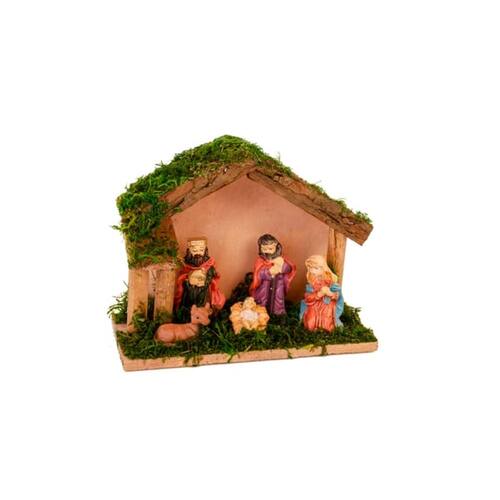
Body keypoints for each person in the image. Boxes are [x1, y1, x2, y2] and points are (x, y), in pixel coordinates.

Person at [174, 237, 225, 322]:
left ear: (205, 251)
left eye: (201, 250)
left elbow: (212, 277)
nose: (198, 253)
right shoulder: (186, 264)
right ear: (189, 251)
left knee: (204, 305)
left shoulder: (209, 265)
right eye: (194, 250)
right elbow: (182, 277)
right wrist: (189, 279)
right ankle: (186, 318)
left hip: (204, 292)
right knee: (188, 306)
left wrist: (204, 279)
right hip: (189, 292)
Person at [249, 234, 296, 315]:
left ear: (276, 247)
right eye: (264, 249)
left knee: (278, 300)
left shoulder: (280, 259)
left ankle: (277, 314)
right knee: (262, 300)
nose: (267, 251)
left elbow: (289, 269)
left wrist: (282, 266)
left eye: (270, 249)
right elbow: (258, 274)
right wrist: (268, 272)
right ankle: (262, 314)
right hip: (264, 287)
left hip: (278, 285)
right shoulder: (260, 261)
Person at [300, 255, 344, 332]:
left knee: (326, 325)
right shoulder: (311, 283)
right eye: (310, 268)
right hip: (314, 306)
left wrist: (329, 293)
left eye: (316, 268)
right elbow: (308, 298)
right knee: (310, 324)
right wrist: (320, 294)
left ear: (323, 268)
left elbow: (337, 295)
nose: (312, 271)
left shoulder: (330, 281)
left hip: (327, 306)